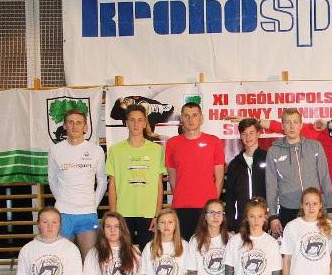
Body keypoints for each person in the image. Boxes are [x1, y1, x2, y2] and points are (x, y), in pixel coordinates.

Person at [260, 104, 332, 220]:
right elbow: (278, 126)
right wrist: (253, 121)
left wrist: (329, 125)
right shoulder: (315, 131)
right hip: (314, 198)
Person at [48, 109, 106, 261]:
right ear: (65, 126)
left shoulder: (96, 150)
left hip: (87, 213)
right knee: (62, 260)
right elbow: (52, 179)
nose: (75, 126)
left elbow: (102, 181)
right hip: (63, 213)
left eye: (79, 123)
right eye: (71, 122)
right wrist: (62, 200)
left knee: (89, 261)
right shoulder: (55, 149)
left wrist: (93, 204)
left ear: (85, 127)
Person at [265, 109, 332, 234]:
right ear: (282, 126)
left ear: (301, 125)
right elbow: (271, 185)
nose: (292, 126)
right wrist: (273, 216)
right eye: (288, 122)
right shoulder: (273, 151)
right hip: (288, 209)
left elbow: (325, 178)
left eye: (295, 122)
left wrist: (330, 209)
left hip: (314, 207)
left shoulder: (315, 146)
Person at [106, 104, 166, 249]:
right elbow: (112, 185)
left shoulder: (157, 150)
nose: (136, 124)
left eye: (140, 120)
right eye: (132, 120)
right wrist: (114, 216)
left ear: (145, 123)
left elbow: (159, 184)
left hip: (148, 213)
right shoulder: (115, 150)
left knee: (149, 255)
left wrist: (157, 214)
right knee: (123, 255)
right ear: (126, 123)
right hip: (123, 213)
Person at [165, 102, 225, 239]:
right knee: (184, 247)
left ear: (201, 118)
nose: (190, 119)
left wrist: (213, 204)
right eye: (186, 116)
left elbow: (220, 177)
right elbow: (172, 177)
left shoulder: (214, 141)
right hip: (181, 206)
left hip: (207, 207)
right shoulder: (172, 143)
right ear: (181, 118)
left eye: (194, 115)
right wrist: (180, 195)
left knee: (207, 247)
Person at [225, 118, 279, 234]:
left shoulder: (268, 158)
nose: (248, 137)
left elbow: (276, 189)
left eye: (251, 133)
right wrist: (230, 224)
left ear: (258, 134)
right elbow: (229, 197)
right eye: (244, 134)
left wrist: (273, 216)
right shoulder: (235, 164)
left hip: (264, 220)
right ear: (240, 136)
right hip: (241, 222)